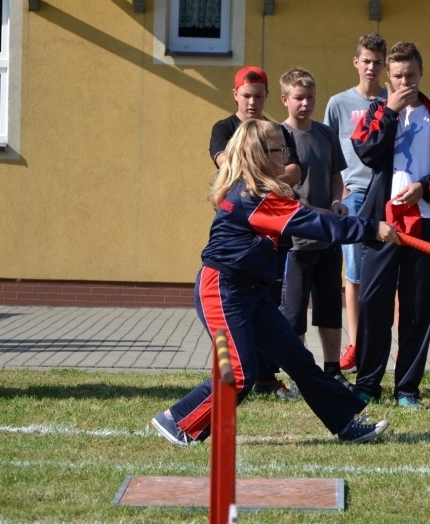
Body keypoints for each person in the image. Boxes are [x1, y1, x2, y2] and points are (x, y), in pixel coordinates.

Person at [151, 119, 396, 445]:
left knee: (299, 361)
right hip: (223, 289)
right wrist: (370, 228)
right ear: (259, 153)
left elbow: (307, 213)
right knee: (239, 374)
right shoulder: (254, 196)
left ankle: (346, 424)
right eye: (279, 149)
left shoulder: (262, 192)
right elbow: (313, 224)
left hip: (250, 291)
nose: (286, 155)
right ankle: (178, 421)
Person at [350, 42, 430, 409]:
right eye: (397, 76)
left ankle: (407, 389)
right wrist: (389, 112)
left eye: (410, 75)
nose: (404, 82)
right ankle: (368, 383)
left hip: (426, 226)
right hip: (383, 225)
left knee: (417, 309)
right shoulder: (376, 111)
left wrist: (426, 188)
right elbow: (365, 151)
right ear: (387, 75)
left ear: (421, 72)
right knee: (372, 305)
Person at [208, 66, 301, 399]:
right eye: (246, 96)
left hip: (274, 230)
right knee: (237, 304)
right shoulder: (225, 128)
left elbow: (294, 170)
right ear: (235, 95)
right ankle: (236, 370)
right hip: (239, 240)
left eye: (258, 96)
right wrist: (268, 179)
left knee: (270, 302)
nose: (252, 102)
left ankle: (266, 374)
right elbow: (226, 163)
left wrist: (260, 178)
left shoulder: (275, 131)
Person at [278, 68, 354, 389]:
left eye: (310, 97)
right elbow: (280, 191)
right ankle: (301, 373)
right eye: (298, 98)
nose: (305, 103)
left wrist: (337, 202)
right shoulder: (277, 137)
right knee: (294, 309)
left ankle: (332, 368)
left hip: (328, 236)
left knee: (328, 306)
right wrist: (318, 212)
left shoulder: (325, 134)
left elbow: (337, 176)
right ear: (285, 100)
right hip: (295, 240)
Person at [323, 33, 388, 373]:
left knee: (386, 271)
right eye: (366, 61)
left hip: (387, 193)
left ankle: (379, 342)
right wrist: (338, 194)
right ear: (356, 62)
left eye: (378, 62)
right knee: (354, 273)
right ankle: (355, 344)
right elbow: (328, 151)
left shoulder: (394, 100)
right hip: (354, 194)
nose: (372, 67)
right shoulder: (338, 103)